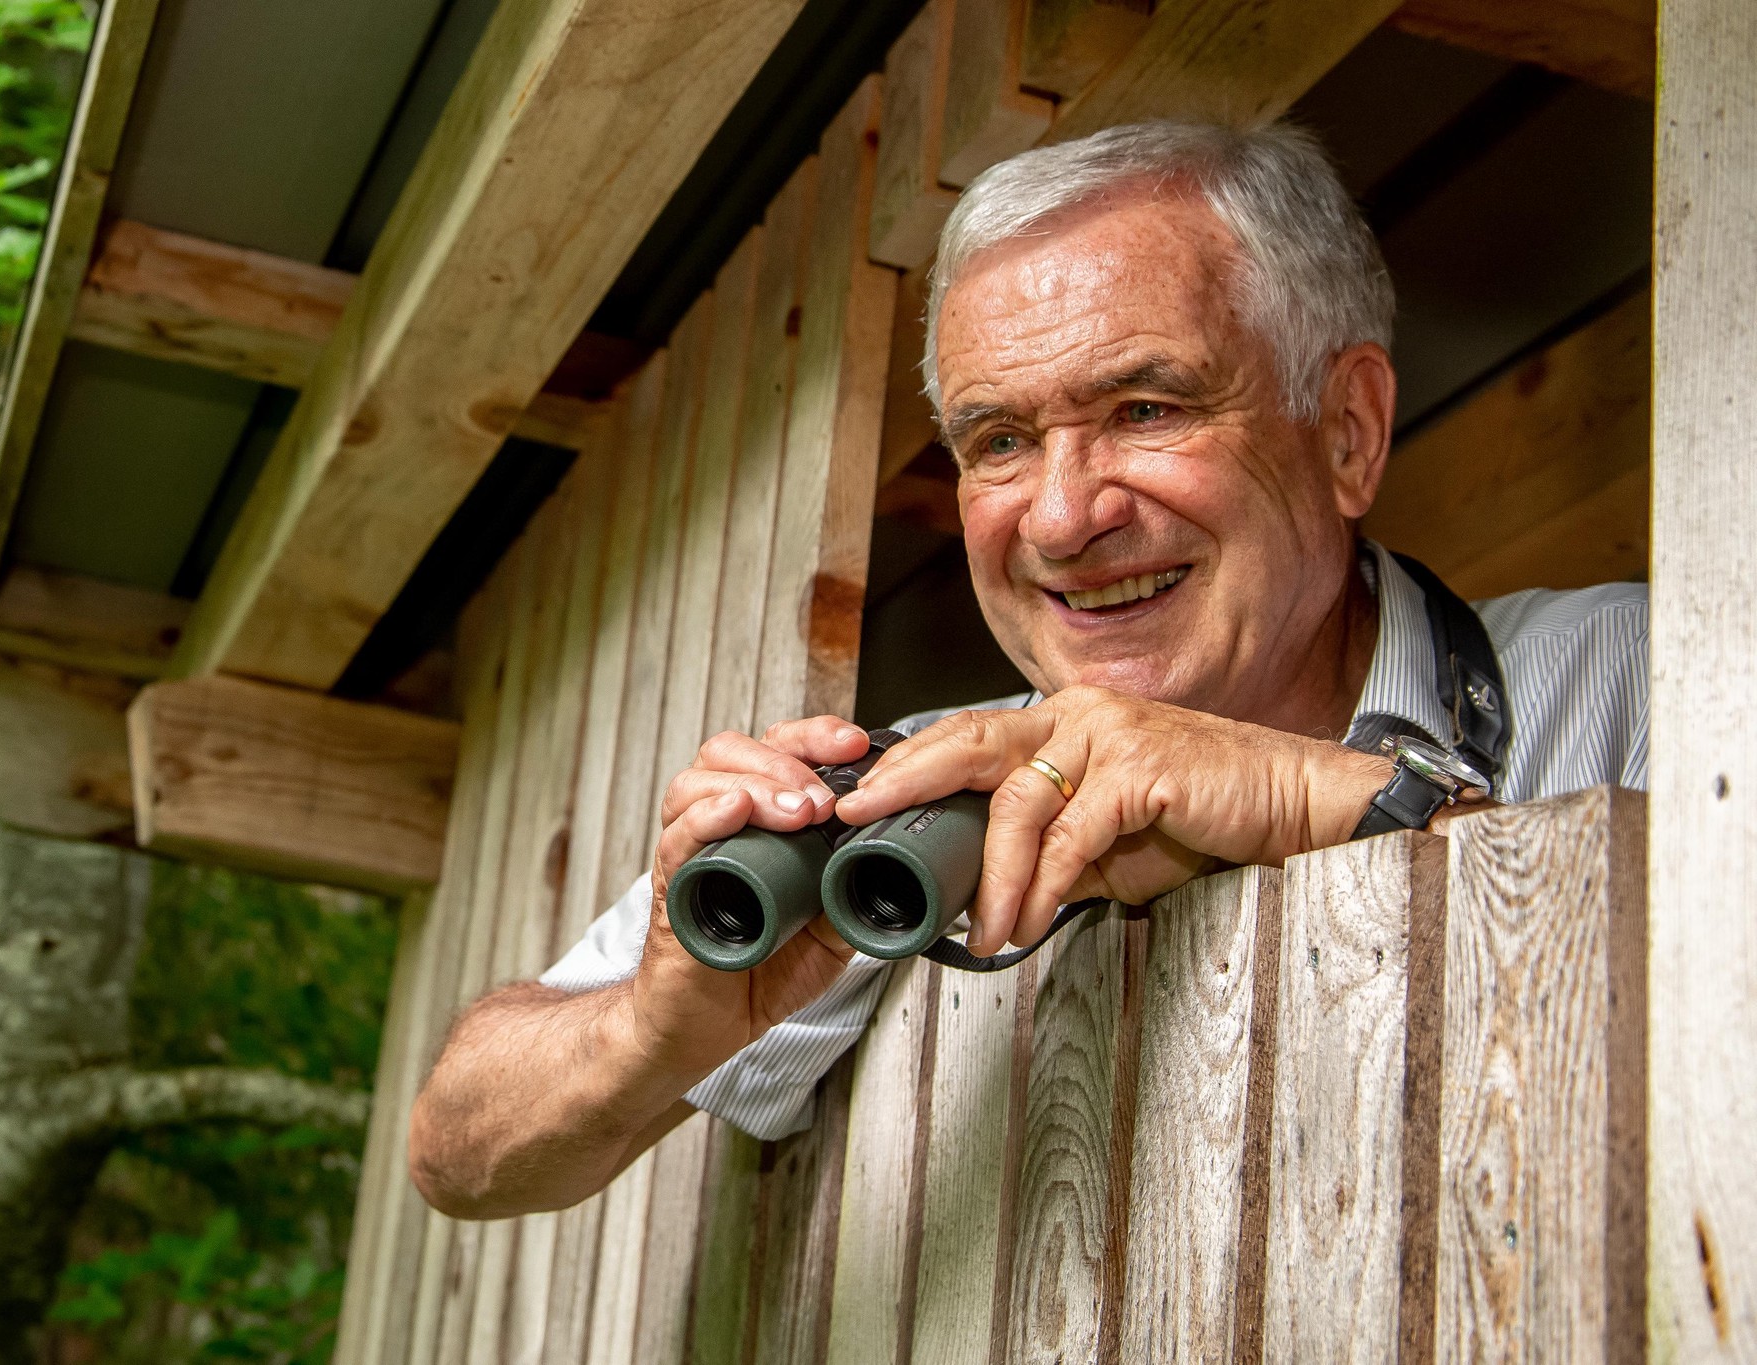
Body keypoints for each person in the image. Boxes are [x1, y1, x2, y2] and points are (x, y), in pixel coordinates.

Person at [406, 120, 1647, 1219]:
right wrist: (649, 1028)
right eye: (998, 440)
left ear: (1345, 431)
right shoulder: (915, 795)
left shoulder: (1649, 671)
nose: (1059, 519)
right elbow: (454, 1153)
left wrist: (1328, 801)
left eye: (1145, 409)